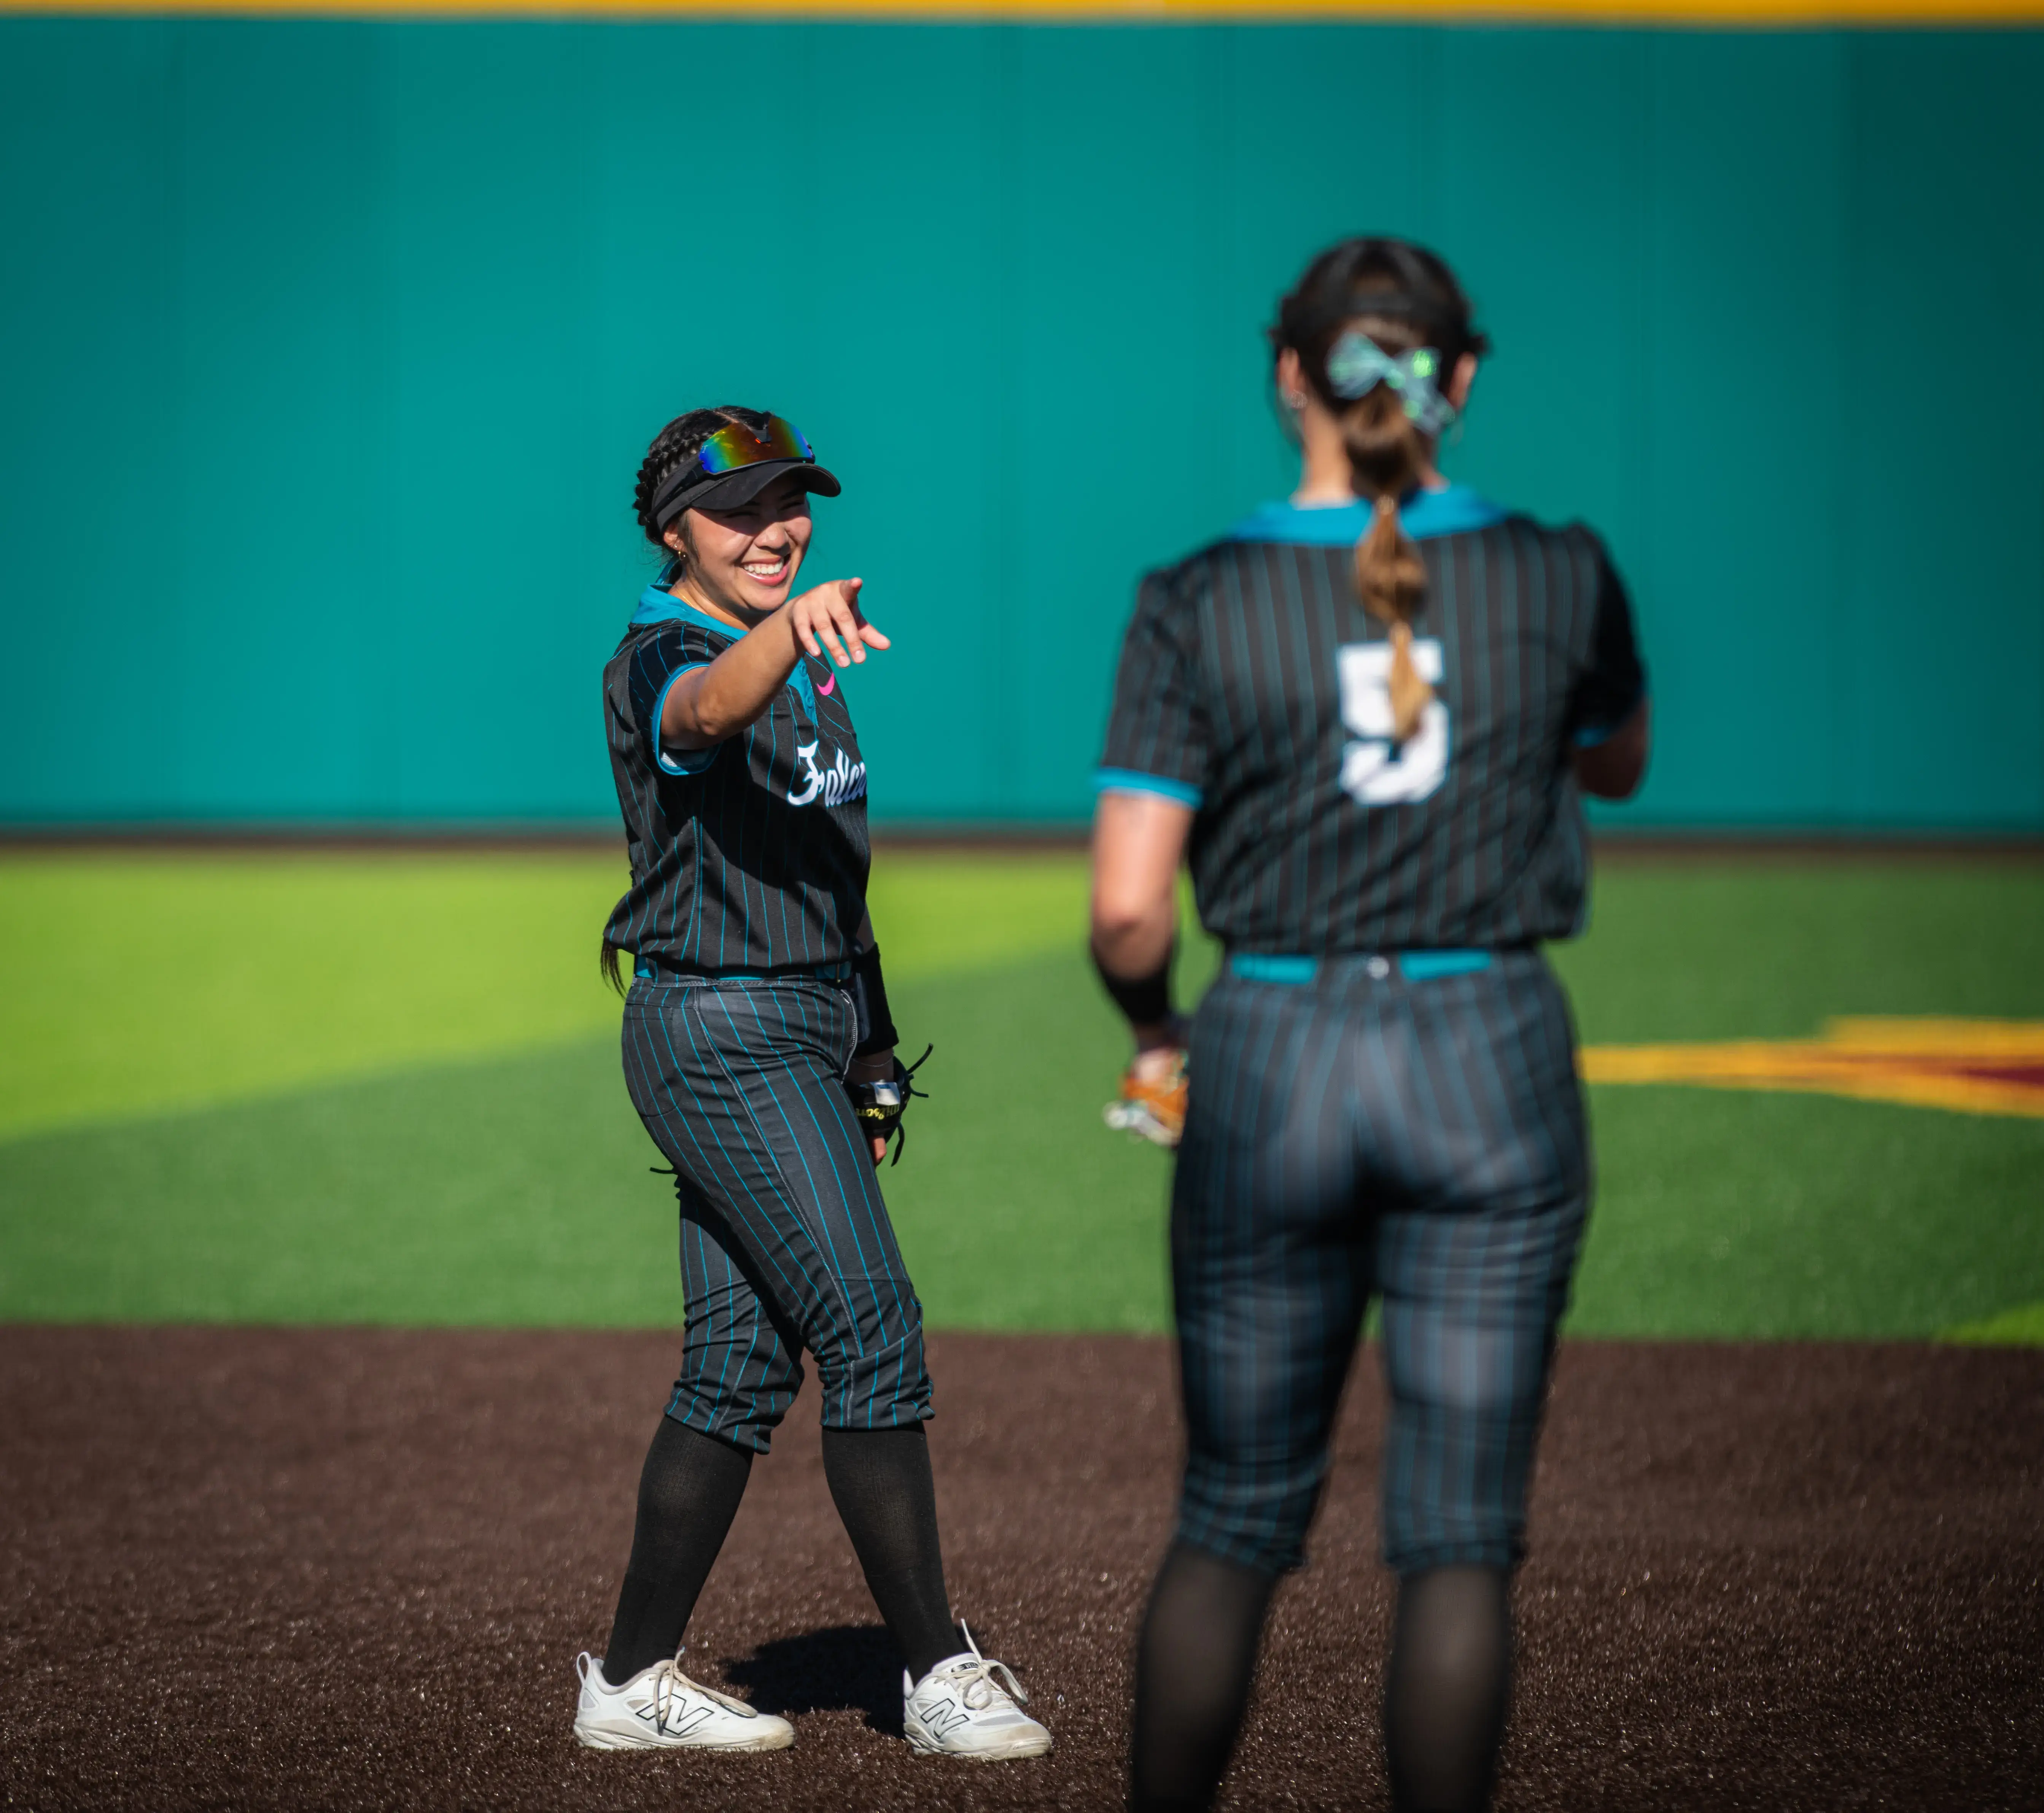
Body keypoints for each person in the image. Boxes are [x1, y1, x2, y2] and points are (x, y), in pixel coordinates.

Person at [1090, 239, 1649, 1813]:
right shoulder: (1559, 569)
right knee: (1456, 1537)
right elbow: (1617, 762)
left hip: (1270, 1048)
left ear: (1290, 376)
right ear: (1458, 381)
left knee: (1232, 1520)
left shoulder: (1195, 596)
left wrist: (1153, 1029)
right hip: (1490, 1048)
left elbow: (1128, 911)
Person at [573, 405, 1051, 1763]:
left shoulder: (807, 655)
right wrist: (784, 632)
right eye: (740, 509)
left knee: (736, 1365)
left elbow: (836, 877)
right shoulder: (668, 651)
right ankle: (938, 1672)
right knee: (871, 1325)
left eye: (793, 502)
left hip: (798, 1023)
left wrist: (874, 1041)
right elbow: (701, 712)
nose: (776, 526)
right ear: (674, 528)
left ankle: (628, 1681)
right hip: (716, 1032)